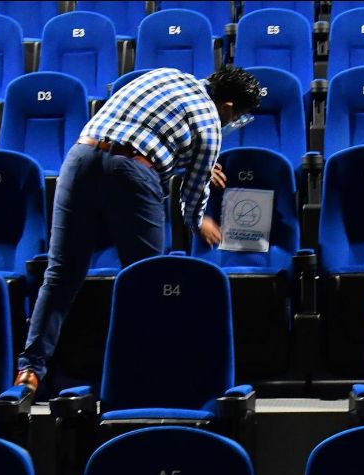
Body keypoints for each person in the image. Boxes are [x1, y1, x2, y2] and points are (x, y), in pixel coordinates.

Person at [14, 66, 262, 393]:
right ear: (228, 107)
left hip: (81, 158)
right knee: (148, 280)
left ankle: (29, 371)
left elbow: (147, 134)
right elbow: (192, 193)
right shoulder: (211, 123)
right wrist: (199, 221)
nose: (232, 123)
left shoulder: (167, 75)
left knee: (61, 274)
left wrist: (189, 163)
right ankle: (143, 375)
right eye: (237, 117)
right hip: (131, 175)